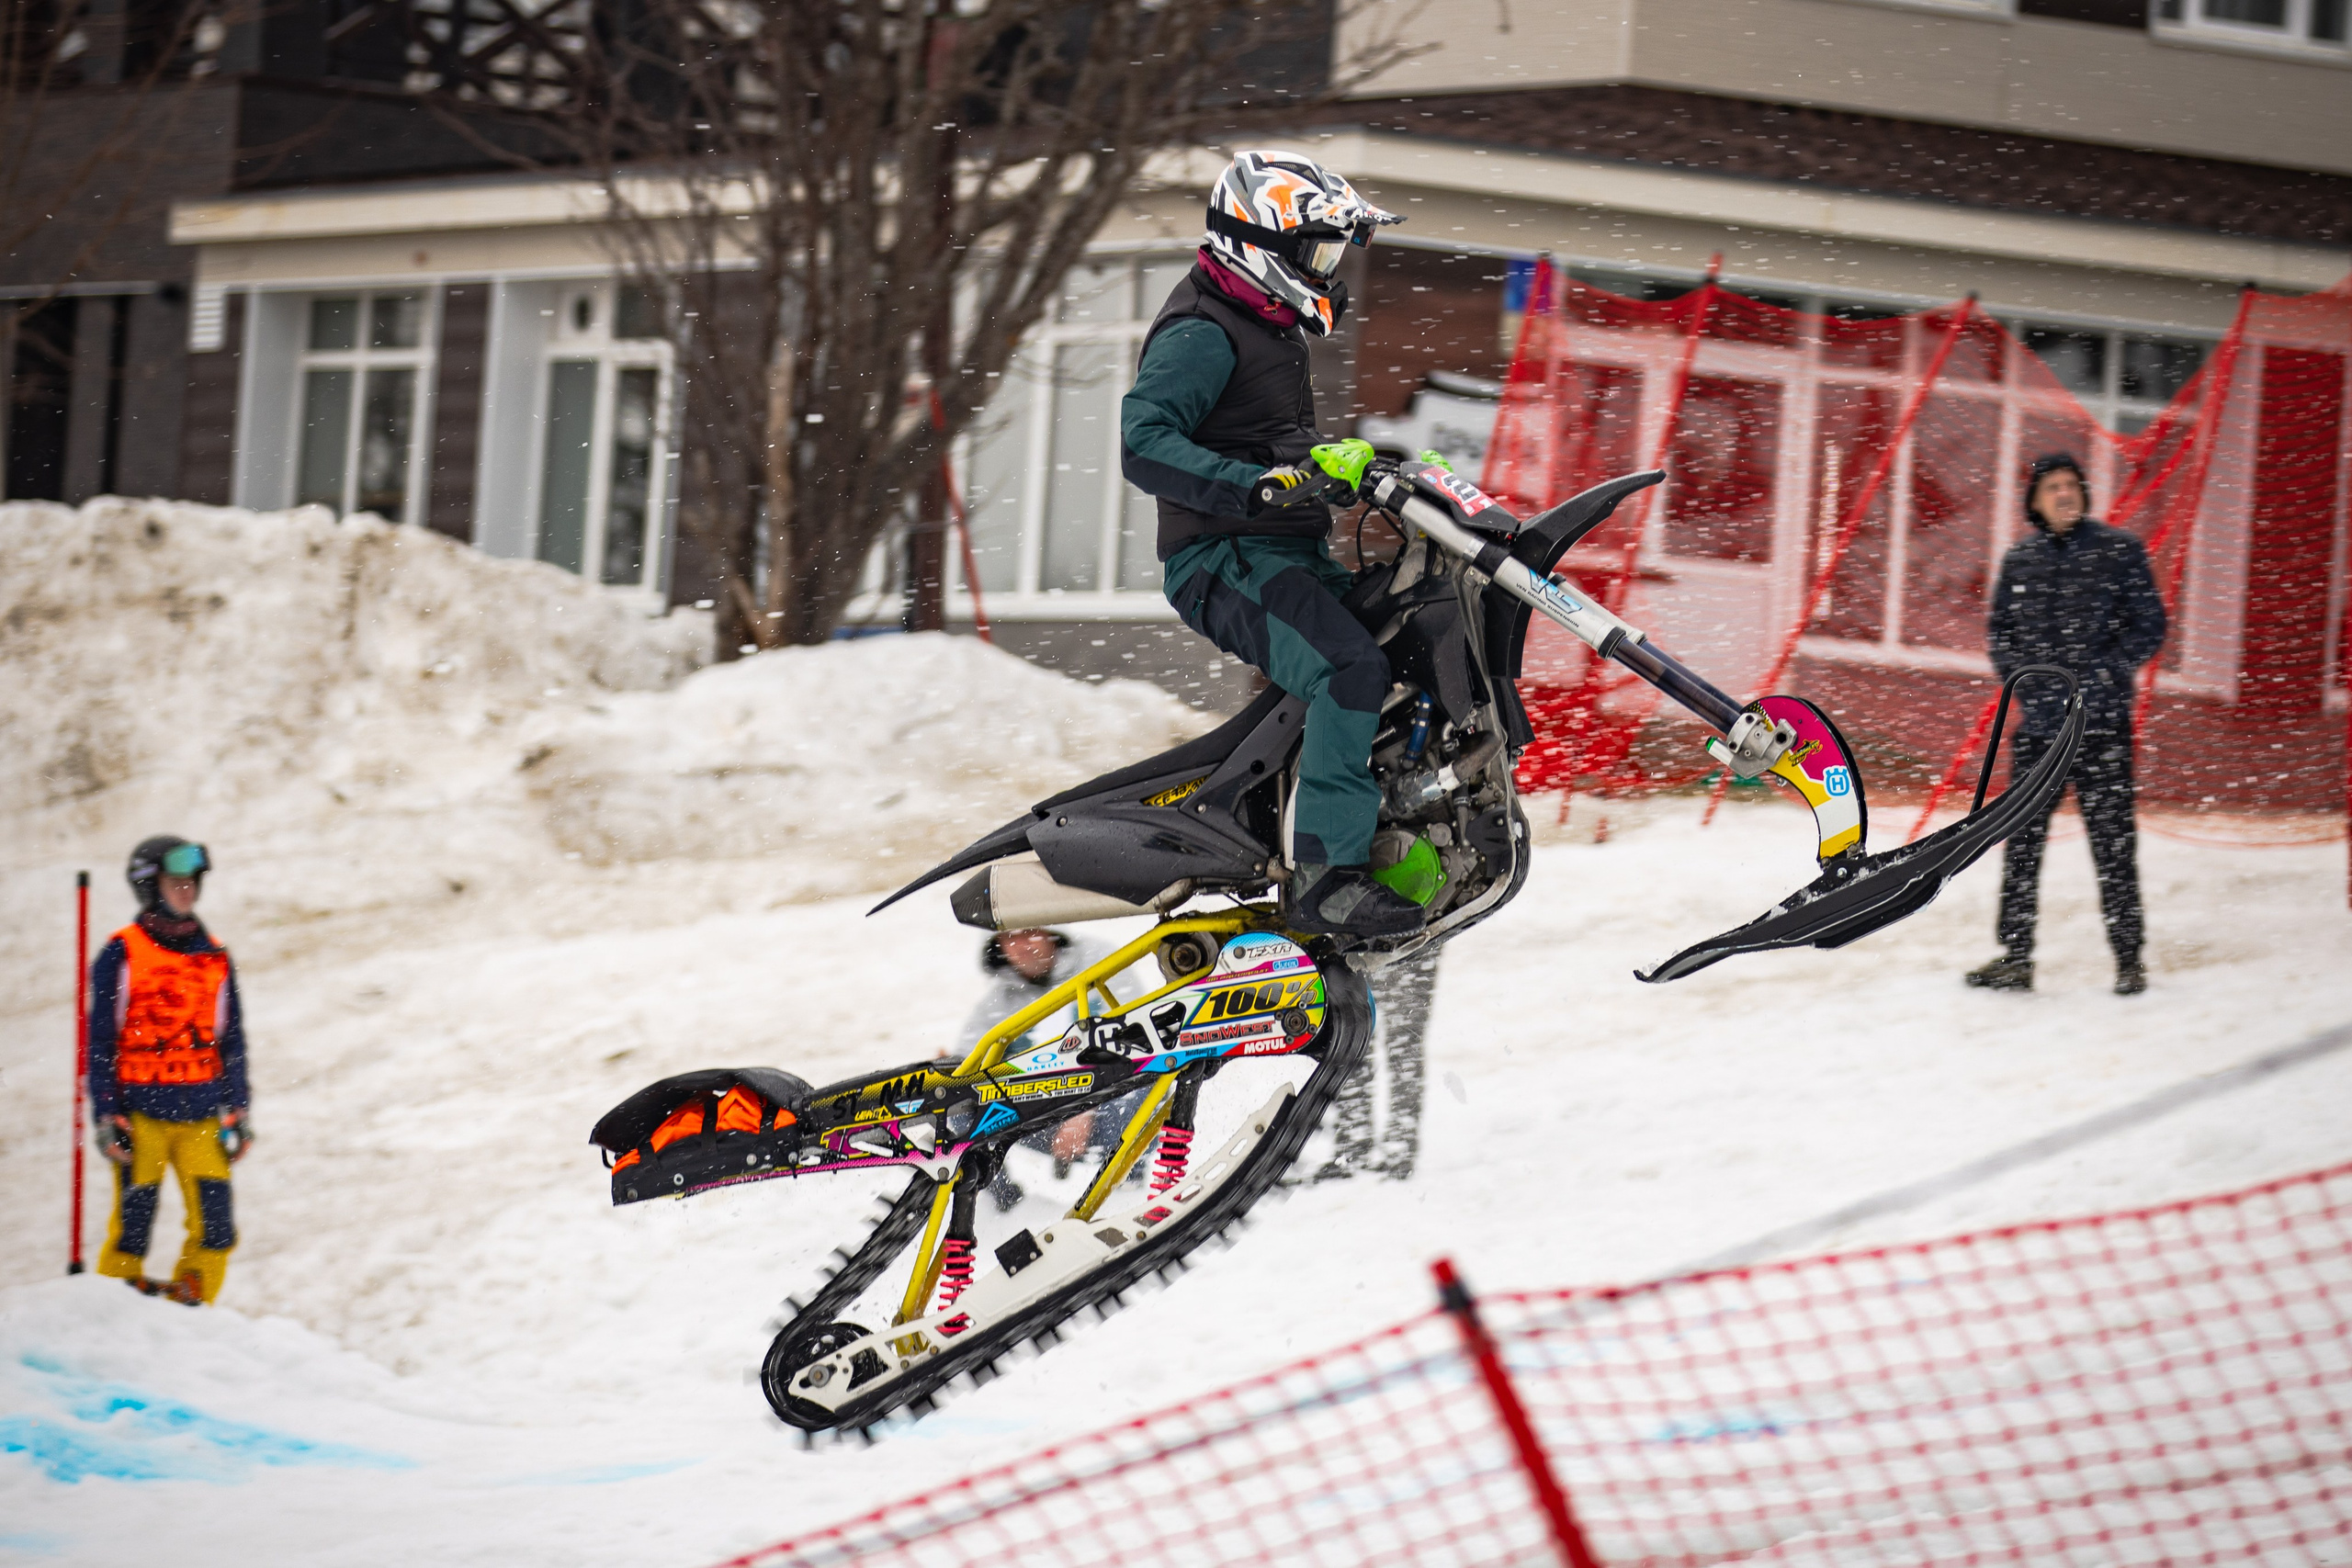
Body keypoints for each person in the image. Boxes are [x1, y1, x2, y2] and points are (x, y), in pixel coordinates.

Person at [1121, 149, 1424, 941]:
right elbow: (1142, 442)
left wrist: (1353, 472)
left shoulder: (1263, 324)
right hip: (1222, 559)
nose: (1328, 270)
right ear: (1264, 246)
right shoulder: (1202, 331)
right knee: (1347, 668)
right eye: (1317, 252)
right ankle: (1327, 877)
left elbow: (1270, 448)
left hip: (1282, 550)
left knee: (1402, 629)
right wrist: (1252, 485)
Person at [1968, 454, 2166, 997]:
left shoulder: (2119, 551)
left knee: (2113, 844)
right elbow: (2000, 634)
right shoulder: (2020, 560)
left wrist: (2105, 672)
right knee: (2022, 842)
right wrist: (2026, 683)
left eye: (2071, 485)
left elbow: (2151, 626)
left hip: (2101, 727)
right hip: (2040, 730)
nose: (2064, 494)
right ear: (2034, 501)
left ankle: (2129, 958)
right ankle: (2015, 956)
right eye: (2052, 487)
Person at [89, 837, 254, 1304]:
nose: (186, 891)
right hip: (139, 1117)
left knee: (218, 1229)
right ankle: (108, 1312)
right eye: (174, 882)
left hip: (202, 1116)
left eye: (191, 883)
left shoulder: (216, 956)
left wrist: (237, 1108)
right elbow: (100, 1043)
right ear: (149, 887)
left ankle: (192, 1306)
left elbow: (231, 1040)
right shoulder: (122, 953)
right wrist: (107, 1115)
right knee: (132, 1230)